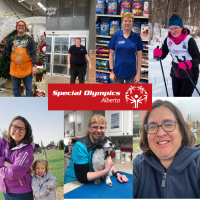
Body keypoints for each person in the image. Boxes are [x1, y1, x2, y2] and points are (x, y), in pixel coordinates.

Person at [133, 100, 200, 198]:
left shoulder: (197, 163)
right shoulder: (138, 165)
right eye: (152, 126)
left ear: (181, 130)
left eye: (168, 124)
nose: (160, 133)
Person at [64, 114, 129, 184]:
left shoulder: (104, 145)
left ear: (105, 129)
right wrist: (106, 170)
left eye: (101, 127)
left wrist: (117, 174)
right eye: (95, 127)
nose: (98, 131)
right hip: (74, 183)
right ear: (89, 128)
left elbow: (108, 163)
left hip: (91, 178)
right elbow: (82, 177)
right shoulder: (80, 146)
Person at [153, 14, 200, 97]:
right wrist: (158, 54)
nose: (173, 31)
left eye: (176, 28)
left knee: (184, 99)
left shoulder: (189, 40)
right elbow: (162, 55)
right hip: (175, 75)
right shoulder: (168, 40)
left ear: (181, 28)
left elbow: (198, 58)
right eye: (170, 28)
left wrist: (189, 63)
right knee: (176, 97)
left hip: (190, 75)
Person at [0, 116, 39, 200]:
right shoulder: (2, 142)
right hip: (5, 190)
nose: (17, 131)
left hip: (21, 194)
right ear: (10, 127)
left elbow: (13, 173)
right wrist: (4, 163)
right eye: (15, 127)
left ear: (26, 132)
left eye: (21, 129)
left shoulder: (27, 149)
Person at [108, 12, 143, 83]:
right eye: (125, 21)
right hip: (117, 72)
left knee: (130, 93)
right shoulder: (115, 36)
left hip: (132, 73)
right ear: (122, 23)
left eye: (130, 21)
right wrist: (111, 71)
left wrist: (138, 74)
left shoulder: (137, 37)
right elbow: (111, 55)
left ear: (132, 23)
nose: (127, 23)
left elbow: (139, 57)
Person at [6, 20, 37, 97]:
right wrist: (14, 59)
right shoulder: (11, 39)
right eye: (19, 25)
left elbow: (34, 53)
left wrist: (34, 66)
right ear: (16, 27)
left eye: (22, 25)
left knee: (29, 89)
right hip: (15, 67)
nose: (21, 26)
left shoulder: (30, 39)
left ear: (25, 28)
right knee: (16, 89)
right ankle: (19, 105)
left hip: (27, 67)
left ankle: (28, 106)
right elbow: (7, 50)